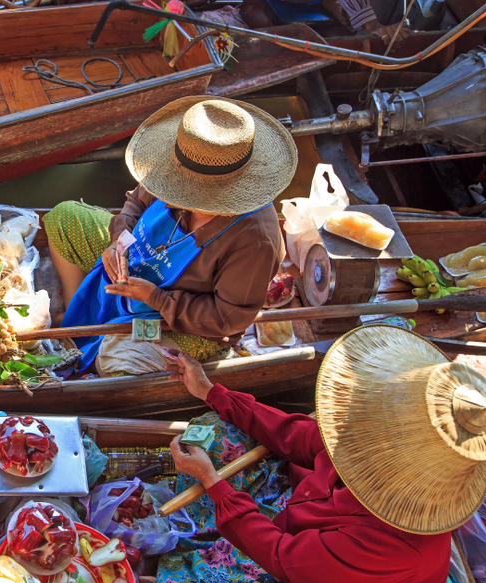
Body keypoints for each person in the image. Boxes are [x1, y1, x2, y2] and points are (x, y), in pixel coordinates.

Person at [153, 324, 484, 583]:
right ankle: (217, 532)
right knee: (216, 430)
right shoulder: (371, 434)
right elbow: (296, 436)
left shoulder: (399, 550)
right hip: (298, 518)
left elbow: (283, 557)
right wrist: (211, 391)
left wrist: (212, 481)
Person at [43, 96, 296, 376]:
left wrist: (157, 299)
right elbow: (135, 203)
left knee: (118, 359)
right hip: (139, 264)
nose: (175, 195)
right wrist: (119, 241)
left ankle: (106, 339)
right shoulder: (175, 165)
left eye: (189, 194)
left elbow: (228, 319)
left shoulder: (254, 240)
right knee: (64, 218)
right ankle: (73, 317)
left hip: (181, 323)